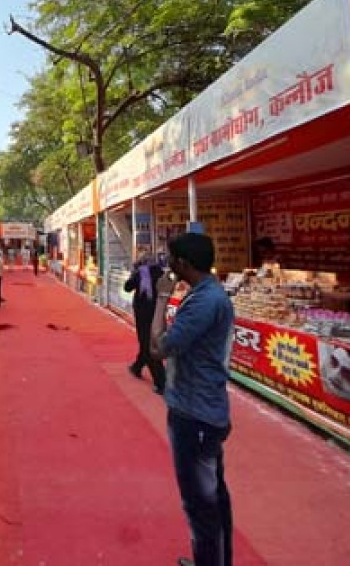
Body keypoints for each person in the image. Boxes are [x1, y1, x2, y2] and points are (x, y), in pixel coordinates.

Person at [150, 233, 235, 566]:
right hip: (200, 405)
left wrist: (161, 298)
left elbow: (157, 347)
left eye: (171, 259)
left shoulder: (204, 302)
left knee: (201, 501)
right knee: (211, 495)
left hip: (195, 411)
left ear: (183, 264)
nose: (168, 265)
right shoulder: (205, 294)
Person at [124, 252, 166, 394]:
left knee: (146, 343)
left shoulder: (141, 273)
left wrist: (133, 273)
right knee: (148, 341)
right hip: (157, 310)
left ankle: (161, 381)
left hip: (143, 312)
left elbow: (127, 287)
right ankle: (137, 366)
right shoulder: (160, 272)